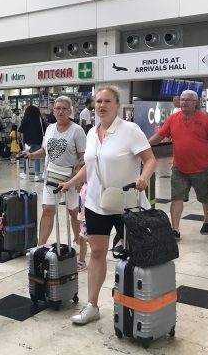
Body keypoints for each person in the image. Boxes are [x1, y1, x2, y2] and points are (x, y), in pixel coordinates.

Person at [58, 86, 157, 325]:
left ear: (117, 104)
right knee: (98, 252)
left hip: (126, 203)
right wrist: (72, 181)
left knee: (133, 254)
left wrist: (144, 177)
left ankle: (137, 304)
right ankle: (92, 305)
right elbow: (90, 166)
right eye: (98, 101)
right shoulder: (92, 132)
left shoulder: (130, 130)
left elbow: (150, 159)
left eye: (107, 101)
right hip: (95, 203)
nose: (101, 105)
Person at [149, 89, 208, 238]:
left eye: (188, 100)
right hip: (179, 168)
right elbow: (159, 136)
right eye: (182, 99)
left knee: (206, 198)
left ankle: (207, 221)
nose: (184, 102)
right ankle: (175, 229)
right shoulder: (173, 118)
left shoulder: (206, 119)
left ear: (196, 103)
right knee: (176, 198)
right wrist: (144, 145)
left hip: (202, 168)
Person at [24, 96, 87, 271]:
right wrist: (32, 155)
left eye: (64, 109)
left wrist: (77, 179)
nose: (60, 111)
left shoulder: (77, 131)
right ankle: (40, 245)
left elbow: (83, 157)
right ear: (53, 110)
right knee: (47, 210)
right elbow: (45, 150)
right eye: (57, 108)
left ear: (70, 111)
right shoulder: (50, 128)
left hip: (70, 178)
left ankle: (78, 243)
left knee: (74, 213)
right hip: (51, 175)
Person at [18, 106, 45, 181]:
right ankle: (37, 175)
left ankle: (25, 173)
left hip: (27, 141)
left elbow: (21, 129)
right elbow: (44, 129)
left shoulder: (25, 118)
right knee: (37, 157)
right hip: (37, 141)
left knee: (26, 157)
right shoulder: (39, 119)